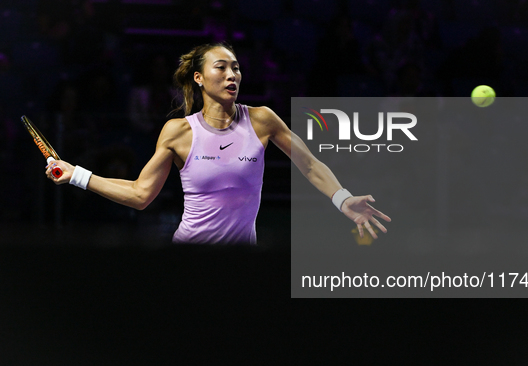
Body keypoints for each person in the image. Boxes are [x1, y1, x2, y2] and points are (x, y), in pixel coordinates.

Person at [45, 42, 391, 244]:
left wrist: (343, 200)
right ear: (199, 78)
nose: (232, 75)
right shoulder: (179, 131)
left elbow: (310, 164)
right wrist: (76, 174)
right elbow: (140, 194)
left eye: (236, 68)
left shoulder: (262, 119)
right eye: (221, 67)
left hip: (241, 264)